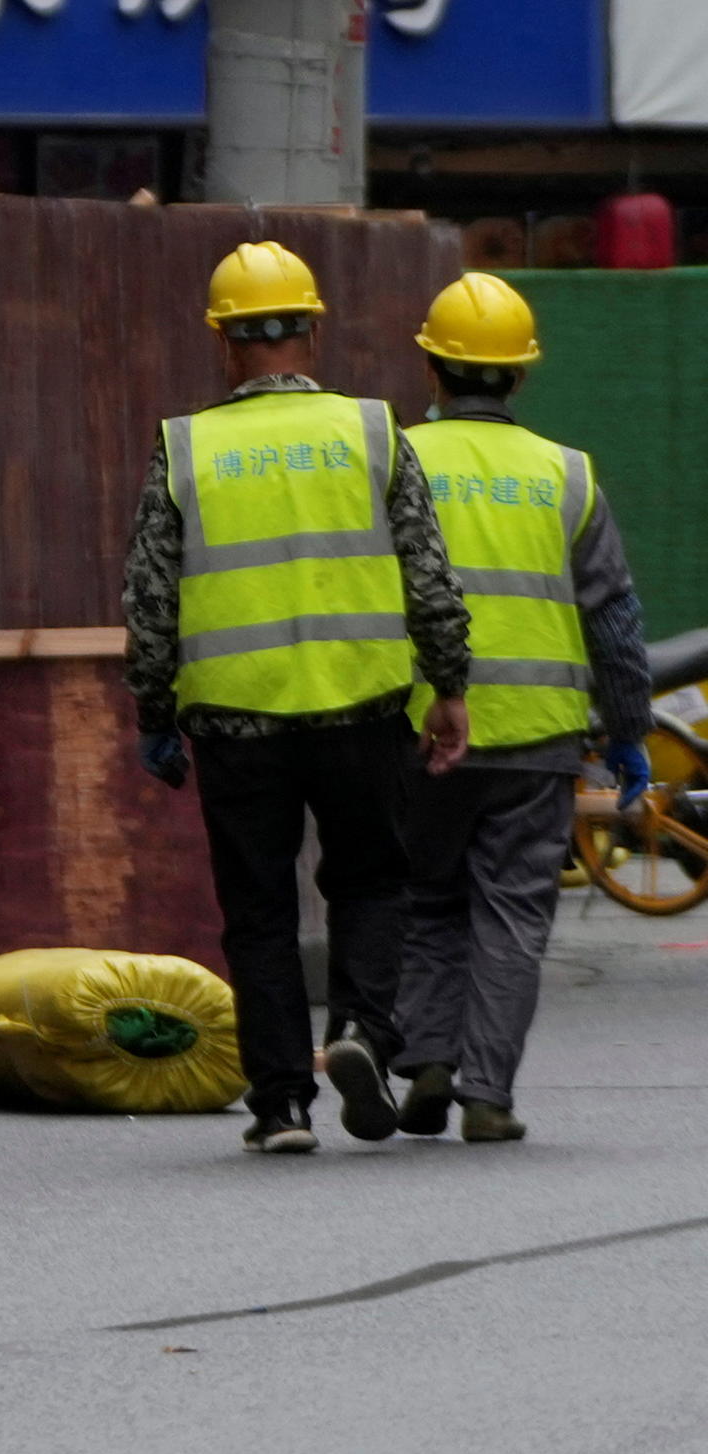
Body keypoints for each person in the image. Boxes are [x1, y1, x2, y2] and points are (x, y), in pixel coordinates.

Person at [126, 240, 470, 1155]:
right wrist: (451, 687)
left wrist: (154, 715)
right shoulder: (371, 429)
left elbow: (151, 601)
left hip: (235, 724)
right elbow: (429, 576)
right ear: (313, 331)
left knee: (260, 910)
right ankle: (360, 1030)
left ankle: (281, 1103)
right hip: (362, 710)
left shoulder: (185, 446)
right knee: (370, 881)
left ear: (224, 341)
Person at [389, 275, 650, 1146]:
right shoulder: (566, 474)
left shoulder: (397, 459)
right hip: (540, 734)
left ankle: (426, 1056)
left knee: (430, 896)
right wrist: (628, 729)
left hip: (421, 724)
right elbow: (612, 615)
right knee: (512, 912)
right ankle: (486, 1092)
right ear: (520, 377)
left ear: (432, 365)